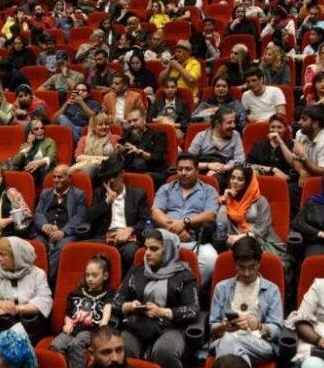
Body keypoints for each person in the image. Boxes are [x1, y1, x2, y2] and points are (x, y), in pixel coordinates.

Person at [114, 229, 199, 368]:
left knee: (164, 351)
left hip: (171, 327)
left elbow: (193, 310)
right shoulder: (137, 271)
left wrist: (162, 312)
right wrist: (129, 306)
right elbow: (116, 301)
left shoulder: (184, 275)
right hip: (138, 324)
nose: (147, 253)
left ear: (168, 251)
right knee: (121, 348)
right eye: (146, 248)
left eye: (154, 249)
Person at [208, 237, 283, 368]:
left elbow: (277, 329)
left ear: (259, 263)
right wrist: (223, 327)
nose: (247, 273)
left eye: (252, 267)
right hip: (226, 337)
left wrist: (257, 326)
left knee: (227, 342)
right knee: (228, 342)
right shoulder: (222, 288)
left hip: (258, 343)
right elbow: (213, 326)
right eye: (241, 267)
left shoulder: (272, 290)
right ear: (235, 264)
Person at [151, 152, 219, 286]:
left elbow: (210, 215)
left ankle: (188, 289)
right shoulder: (166, 188)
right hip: (167, 238)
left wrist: (184, 222)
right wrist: (175, 230)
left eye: (188, 169)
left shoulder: (208, 190)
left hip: (195, 239)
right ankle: (167, 289)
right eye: (180, 169)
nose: (183, 173)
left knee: (211, 259)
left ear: (197, 171)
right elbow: (156, 213)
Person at [50, 255, 115, 368]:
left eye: (94, 275)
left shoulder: (108, 294)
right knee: (56, 345)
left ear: (105, 276)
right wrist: (68, 323)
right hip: (73, 329)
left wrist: (104, 324)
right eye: (87, 275)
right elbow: (69, 313)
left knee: (77, 343)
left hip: (92, 331)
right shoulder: (76, 293)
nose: (90, 279)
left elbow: (107, 307)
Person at [88, 156, 150, 274]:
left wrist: (130, 229)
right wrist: (107, 202)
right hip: (104, 238)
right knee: (78, 249)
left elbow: (145, 221)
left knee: (130, 251)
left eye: (114, 176)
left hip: (127, 239)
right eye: (107, 178)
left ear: (122, 174)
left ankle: (125, 282)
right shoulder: (100, 194)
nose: (111, 181)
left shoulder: (137, 194)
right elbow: (90, 218)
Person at [33, 164, 86, 277]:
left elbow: (80, 217)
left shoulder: (78, 195)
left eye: (60, 177)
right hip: (45, 233)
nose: (56, 180)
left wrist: (63, 232)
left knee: (62, 248)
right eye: (54, 177)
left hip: (66, 234)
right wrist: (44, 226)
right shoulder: (45, 193)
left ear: (69, 177)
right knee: (37, 245)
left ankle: (44, 279)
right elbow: (38, 213)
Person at [188, 107, 245, 190]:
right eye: (229, 122)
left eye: (234, 122)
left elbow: (240, 160)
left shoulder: (235, 135)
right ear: (217, 123)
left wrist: (223, 167)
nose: (233, 125)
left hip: (225, 171)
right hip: (203, 168)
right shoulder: (201, 136)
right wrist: (208, 166)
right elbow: (189, 161)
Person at [11, 118, 57, 185]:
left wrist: (39, 163)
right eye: (36, 129)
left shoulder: (49, 142)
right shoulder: (24, 146)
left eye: (42, 128)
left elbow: (51, 157)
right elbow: (15, 163)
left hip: (43, 172)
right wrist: (29, 147)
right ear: (30, 132)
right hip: (27, 174)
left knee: (32, 170)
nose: (40, 131)